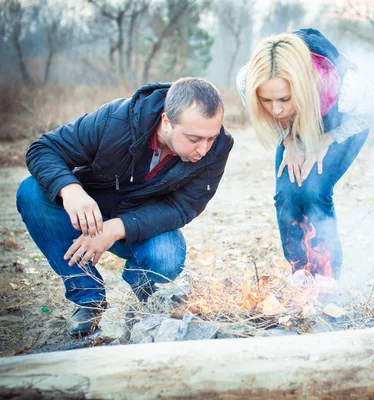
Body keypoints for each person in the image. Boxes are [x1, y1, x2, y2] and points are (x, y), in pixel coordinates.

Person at [16, 78, 234, 335]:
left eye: (211, 138)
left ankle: (146, 292)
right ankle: (88, 297)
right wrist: (70, 190)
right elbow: (43, 149)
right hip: (87, 209)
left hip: (138, 219)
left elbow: (183, 207)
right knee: (31, 192)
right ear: (166, 121)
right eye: (194, 139)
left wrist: (117, 229)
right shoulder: (115, 119)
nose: (204, 149)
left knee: (167, 256)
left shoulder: (218, 148)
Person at [236, 28, 374, 280]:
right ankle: (300, 273)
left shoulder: (342, 86)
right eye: (266, 100)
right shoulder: (246, 80)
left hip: (341, 126)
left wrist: (328, 138)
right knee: (287, 194)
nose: (275, 109)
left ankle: (327, 277)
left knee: (313, 191)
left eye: (285, 98)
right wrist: (288, 139)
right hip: (295, 128)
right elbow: (269, 117)